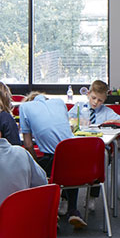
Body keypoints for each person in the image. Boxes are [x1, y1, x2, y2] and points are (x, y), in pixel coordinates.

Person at [18, 92, 85, 229]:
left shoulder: (25, 107)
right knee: (67, 166)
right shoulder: (59, 102)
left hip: (54, 160)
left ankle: (49, 214)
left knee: (39, 169)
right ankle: (73, 211)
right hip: (75, 156)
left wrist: (35, 163)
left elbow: (28, 144)